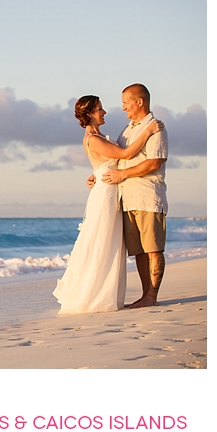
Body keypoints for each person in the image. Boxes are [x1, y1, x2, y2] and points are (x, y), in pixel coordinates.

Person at [53, 95, 161, 314]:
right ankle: (92, 295)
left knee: (110, 242)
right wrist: (148, 131)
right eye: (100, 109)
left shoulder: (99, 136)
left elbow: (103, 163)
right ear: (90, 113)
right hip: (105, 196)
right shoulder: (93, 138)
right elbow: (125, 154)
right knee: (100, 241)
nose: (104, 112)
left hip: (112, 191)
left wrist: (93, 175)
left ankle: (106, 293)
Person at [101, 83, 169, 308]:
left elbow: (155, 162)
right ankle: (144, 295)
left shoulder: (156, 128)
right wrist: (98, 176)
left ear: (139, 102)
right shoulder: (128, 129)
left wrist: (123, 174)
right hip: (128, 199)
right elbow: (118, 158)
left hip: (148, 197)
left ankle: (152, 296)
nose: (122, 108)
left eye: (125, 102)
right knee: (139, 250)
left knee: (153, 248)